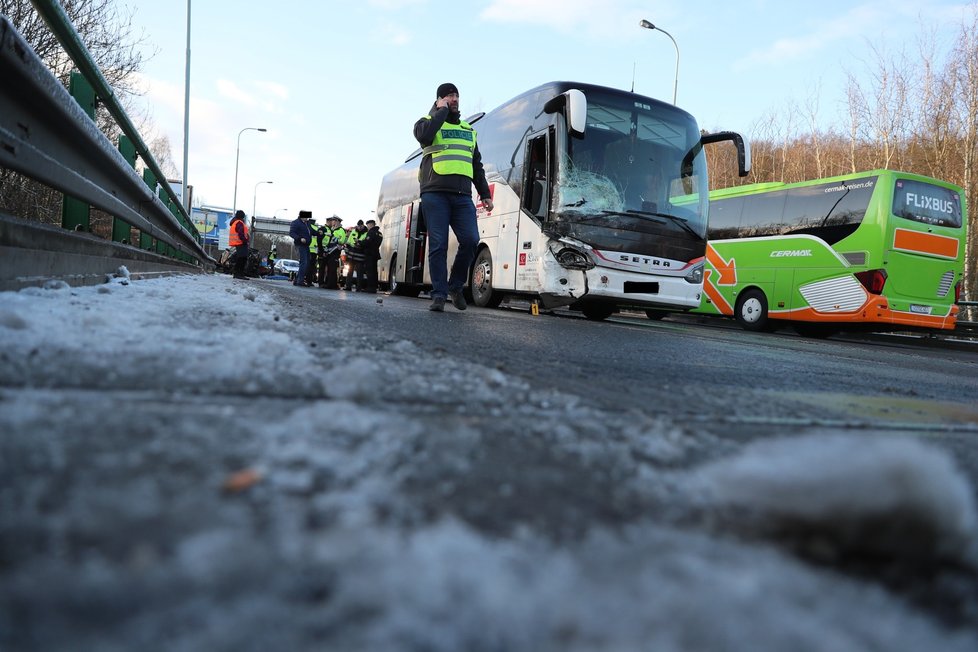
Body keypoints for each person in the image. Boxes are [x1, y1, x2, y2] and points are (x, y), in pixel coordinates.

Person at [414, 82, 493, 311]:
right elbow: (425, 136)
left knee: (470, 240)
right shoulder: (427, 123)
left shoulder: (468, 130)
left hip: (462, 197)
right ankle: (438, 295)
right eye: (449, 95)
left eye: (456, 95)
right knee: (437, 245)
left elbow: (476, 165)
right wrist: (440, 111)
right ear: (439, 99)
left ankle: (455, 286)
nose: (454, 99)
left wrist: (485, 193)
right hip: (434, 193)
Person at [322, 215, 347, 289]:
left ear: (338, 222)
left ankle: (332, 285)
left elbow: (342, 241)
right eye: (332, 220)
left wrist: (333, 236)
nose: (333, 222)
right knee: (329, 268)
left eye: (334, 221)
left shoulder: (341, 230)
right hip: (329, 251)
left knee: (333, 268)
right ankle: (328, 283)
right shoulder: (332, 229)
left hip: (335, 251)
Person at [289, 210, 313, 287]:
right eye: (306, 216)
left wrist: (320, 232)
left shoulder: (307, 223)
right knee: (304, 262)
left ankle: (297, 279)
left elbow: (312, 231)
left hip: (306, 246)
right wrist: (300, 238)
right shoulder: (296, 222)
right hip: (300, 245)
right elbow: (291, 233)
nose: (308, 218)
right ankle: (300, 281)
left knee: (306, 263)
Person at [359, 219, 383, 293]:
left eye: (368, 225)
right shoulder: (379, 233)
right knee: (374, 271)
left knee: (369, 271)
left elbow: (367, 242)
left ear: (371, 224)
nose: (367, 227)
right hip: (375, 254)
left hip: (369, 254)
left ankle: (370, 287)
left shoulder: (371, 232)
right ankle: (374, 287)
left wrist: (359, 242)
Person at [343, 221, 368, 291]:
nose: (359, 227)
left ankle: (359, 287)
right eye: (358, 226)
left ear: (363, 225)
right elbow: (348, 242)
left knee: (360, 273)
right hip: (352, 255)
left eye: (361, 226)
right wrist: (347, 252)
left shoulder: (366, 233)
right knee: (350, 272)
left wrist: (359, 243)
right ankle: (348, 286)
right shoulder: (353, 231)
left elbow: (365, 244)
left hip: (360, 256)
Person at [228, 210, 250, 279]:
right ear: (242, 216)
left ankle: (238, 273)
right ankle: (239, 274)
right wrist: (245, 241)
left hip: (238, 243)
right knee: (242, 258)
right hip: (241, 242)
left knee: (240, 258)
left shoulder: (235, 222)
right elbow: (241, 233)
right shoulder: (239, 223)